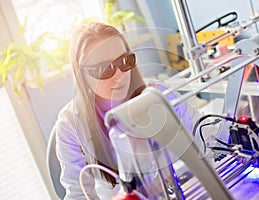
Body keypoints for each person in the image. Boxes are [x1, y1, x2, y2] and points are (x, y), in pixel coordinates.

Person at [53, 22, 203, 199]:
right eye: (104, 69)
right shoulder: (70, 125)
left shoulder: (158, 94)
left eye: (125, 61)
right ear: (81, 74)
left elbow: (204, 135)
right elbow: (77, 194)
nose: (119, 75)